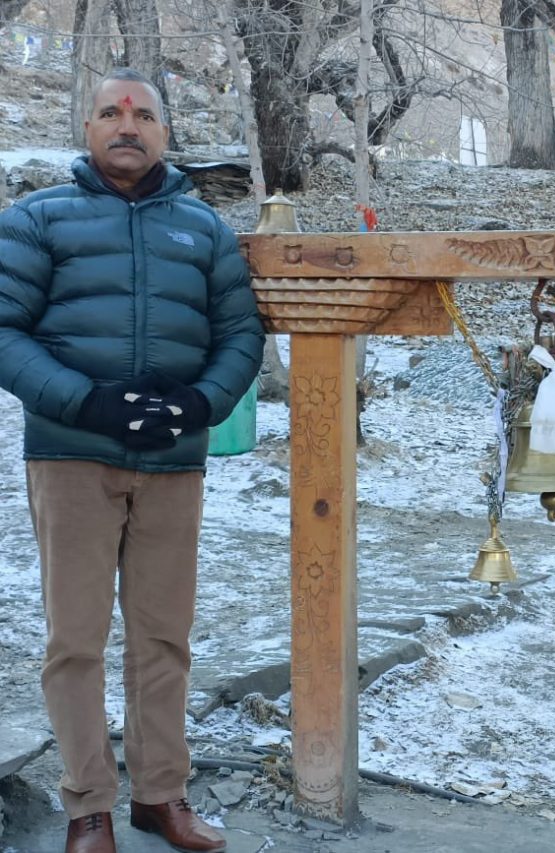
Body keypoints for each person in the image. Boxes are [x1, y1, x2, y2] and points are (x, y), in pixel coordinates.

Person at [0, 67, 265, 853]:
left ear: (164, 132)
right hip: (72, 455)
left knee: (164, 638)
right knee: (74, 640)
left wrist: (199, 404)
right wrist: (86, 401)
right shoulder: (36, 219)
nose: (126, 124)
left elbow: (239, 334)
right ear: (87, 129)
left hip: (173, 464)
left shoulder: (205, 229)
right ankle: (88, 806)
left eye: (142, 114)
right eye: (111, 112)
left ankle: (161, 797)